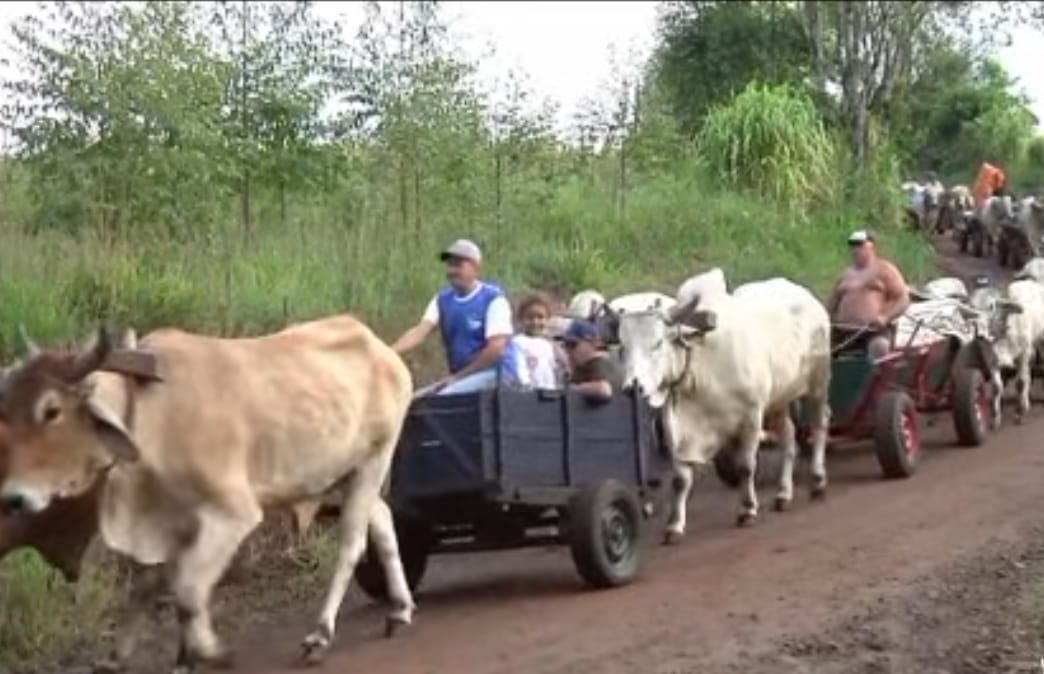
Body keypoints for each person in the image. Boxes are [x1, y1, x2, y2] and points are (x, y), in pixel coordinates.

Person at [392, 238, 521, 395]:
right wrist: (390, 351)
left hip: (497, 375)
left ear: (476, 268)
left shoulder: (493, 299)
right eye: (450, 265)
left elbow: (496, 349)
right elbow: (420, 331)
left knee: (443, 397)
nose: (452, 270)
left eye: (458, 265)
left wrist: (459, 377)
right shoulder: (443, 300)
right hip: (463, 377)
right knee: (416, 399)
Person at [826, 229, 911, 359]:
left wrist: (884, 317)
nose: (856, 250)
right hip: (843, 332)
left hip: (873, 332)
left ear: (872, 246)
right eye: (853, 246)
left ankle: (873, 371)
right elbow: (831, 304)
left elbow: (903, 299)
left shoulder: (885, 269)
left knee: (879, 346)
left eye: (860, 245)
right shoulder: (845, 275)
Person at [512, 294, 567, 390]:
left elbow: (554, 369)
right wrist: (526, 386)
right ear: (520, 319)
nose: (535, 322)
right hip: (528, 392)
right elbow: (519, 369)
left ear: (548, 319)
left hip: (549, 391)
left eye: (540, 317)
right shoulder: (517, 342)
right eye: (530, 318)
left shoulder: (548, 344)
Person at [560, 320, 620, 402]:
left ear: (590, 343)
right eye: (566, 346)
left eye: (572, 345)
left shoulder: (598, 362)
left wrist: (573, 388)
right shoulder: (582, 366)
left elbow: (604, 389)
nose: (568, 351)